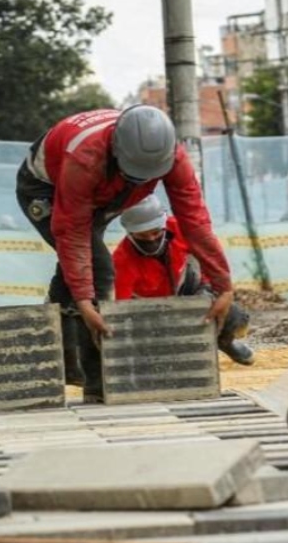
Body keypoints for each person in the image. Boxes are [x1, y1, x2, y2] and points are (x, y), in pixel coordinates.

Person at [15, 106, 234, 402]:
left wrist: (222, 285)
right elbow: (73, 232)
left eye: (147, 177)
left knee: (85, 267)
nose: (140, 180)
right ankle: (95, 377)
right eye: (135, 174)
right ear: (117, 151)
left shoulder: (172, 155)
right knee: (98, 269)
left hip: (108, 188)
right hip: (45, 187)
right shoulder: (85, 158)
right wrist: (85, 301)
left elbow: (194, 221)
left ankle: (65, 353)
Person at [112, 195, 255, 366]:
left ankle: (224, 342)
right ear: (130, 233)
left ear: (164, 224)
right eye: (142, 236)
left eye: (156, 232)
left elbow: (211, 256)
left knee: (235, 317)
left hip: (189, 289)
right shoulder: (122, 260)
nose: (151, 239)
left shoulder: (181, 229)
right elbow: (121, 308)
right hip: (152, 310)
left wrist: (214, 290)